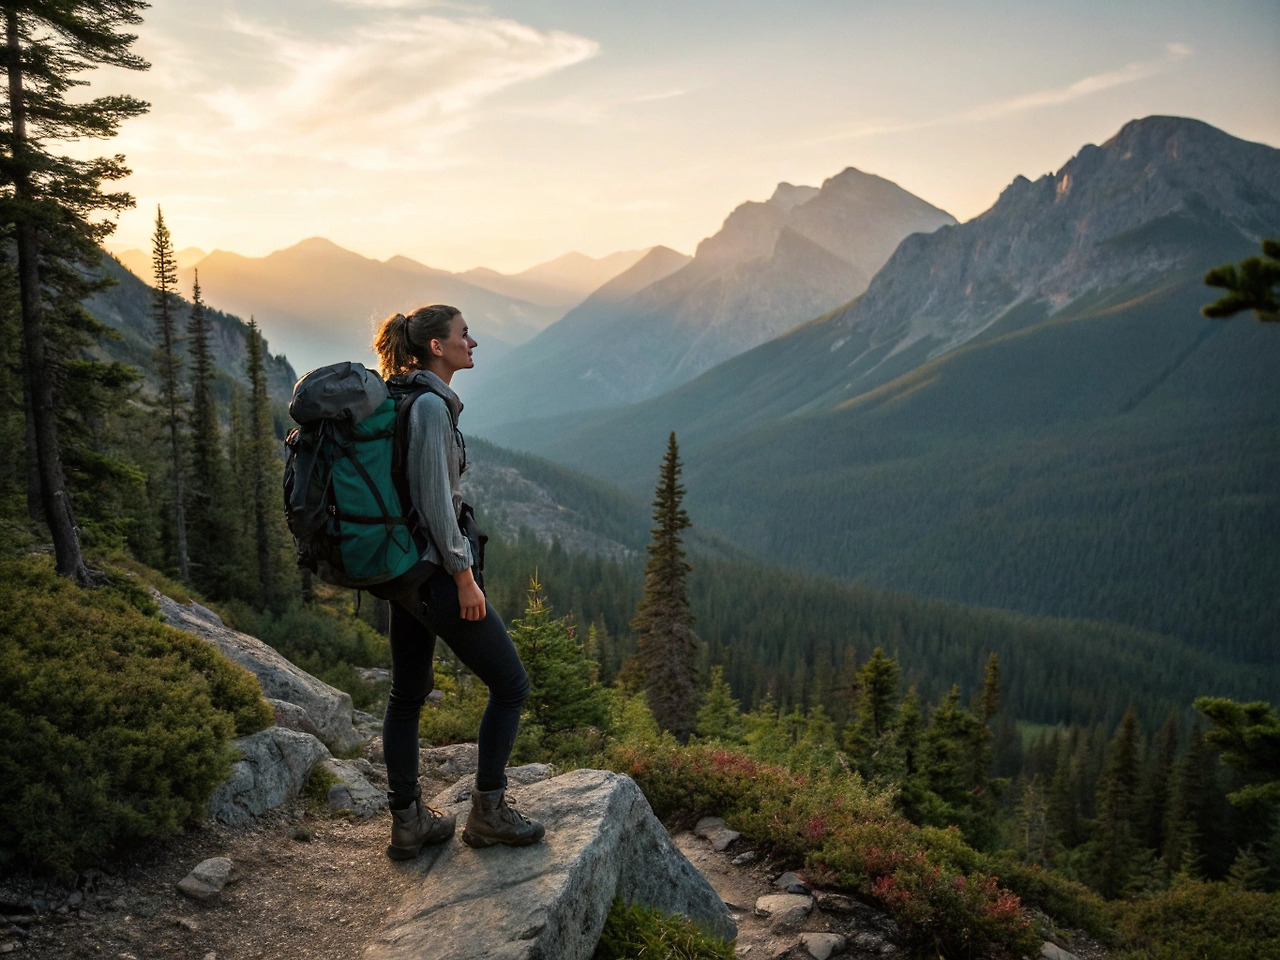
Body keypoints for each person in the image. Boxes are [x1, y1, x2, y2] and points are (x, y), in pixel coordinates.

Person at [371, 303, 544, 860]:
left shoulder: (404, 397)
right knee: (511, 685)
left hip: (406, 575)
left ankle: (408, 822)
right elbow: (436, 504)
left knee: (406, 695)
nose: (474, 343)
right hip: (435, 572)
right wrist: (464, 577)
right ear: (437, 348)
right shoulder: (427, 407)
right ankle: (488, 813)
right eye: (464, 335)